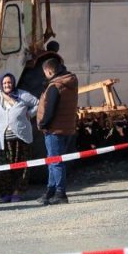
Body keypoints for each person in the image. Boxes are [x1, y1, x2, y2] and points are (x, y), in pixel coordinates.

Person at [0, 73, 39, 203]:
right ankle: (5, 193)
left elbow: (38, 103)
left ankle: (17, 192)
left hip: (22, 138)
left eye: (9, 82)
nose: (7, 85)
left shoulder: (22, 95)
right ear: (1, 84)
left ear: (13, 83)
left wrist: (30, 113)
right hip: (3, 140)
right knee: (4, 168)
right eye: (4, 83)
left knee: (22, 167)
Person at [36, 57, 78, 205]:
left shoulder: (55, 86)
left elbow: (50, 110)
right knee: (54, 161)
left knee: (55, 162)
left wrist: (43, 124)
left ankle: (60, 193)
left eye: (45, 73)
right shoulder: (69, 83)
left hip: (54, 130)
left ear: (48, 71)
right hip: (66, 128)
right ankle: (51, 191)